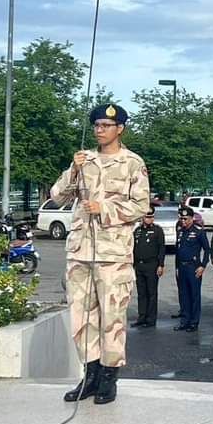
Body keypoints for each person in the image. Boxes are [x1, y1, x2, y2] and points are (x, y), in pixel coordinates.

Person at [50, 103, 151, 405]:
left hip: (113, 254)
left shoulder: (132, 163)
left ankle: (109, 377)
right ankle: (90, 375)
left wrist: (104, 208)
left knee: (112, 317)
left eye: (106, 126)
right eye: (96, 125)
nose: (99, 130)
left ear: (120, 129)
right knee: (81, 316)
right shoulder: (85, 160)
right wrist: (73, 170)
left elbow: (141, 206)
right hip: (80, 251)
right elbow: (57, 197)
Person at [174, 206, 211, 331]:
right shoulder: (180, 231)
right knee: (184, 295)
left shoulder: (198, 231)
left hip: (193, 267)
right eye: (181, 219)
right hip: (182, 267)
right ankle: (185, 321)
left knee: (194, 295)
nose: (183, 221)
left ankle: (194, 322)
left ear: (191, 218)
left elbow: (207, 250)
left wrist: (203, 266)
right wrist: (176, 267)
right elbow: (178, 251)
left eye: (185, 219)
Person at [131, 205, 166, 328]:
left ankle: (151, 319)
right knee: (141, 293)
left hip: (152, 265)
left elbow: (161, 248)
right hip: (139, 265)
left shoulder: (157, 231)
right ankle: (142, 317)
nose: (150, 219)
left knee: (151, 293)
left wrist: (161, 265)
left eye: (151, 217)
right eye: (147, 217)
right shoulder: (137, 231)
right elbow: (133, 248)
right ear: (142, 218)